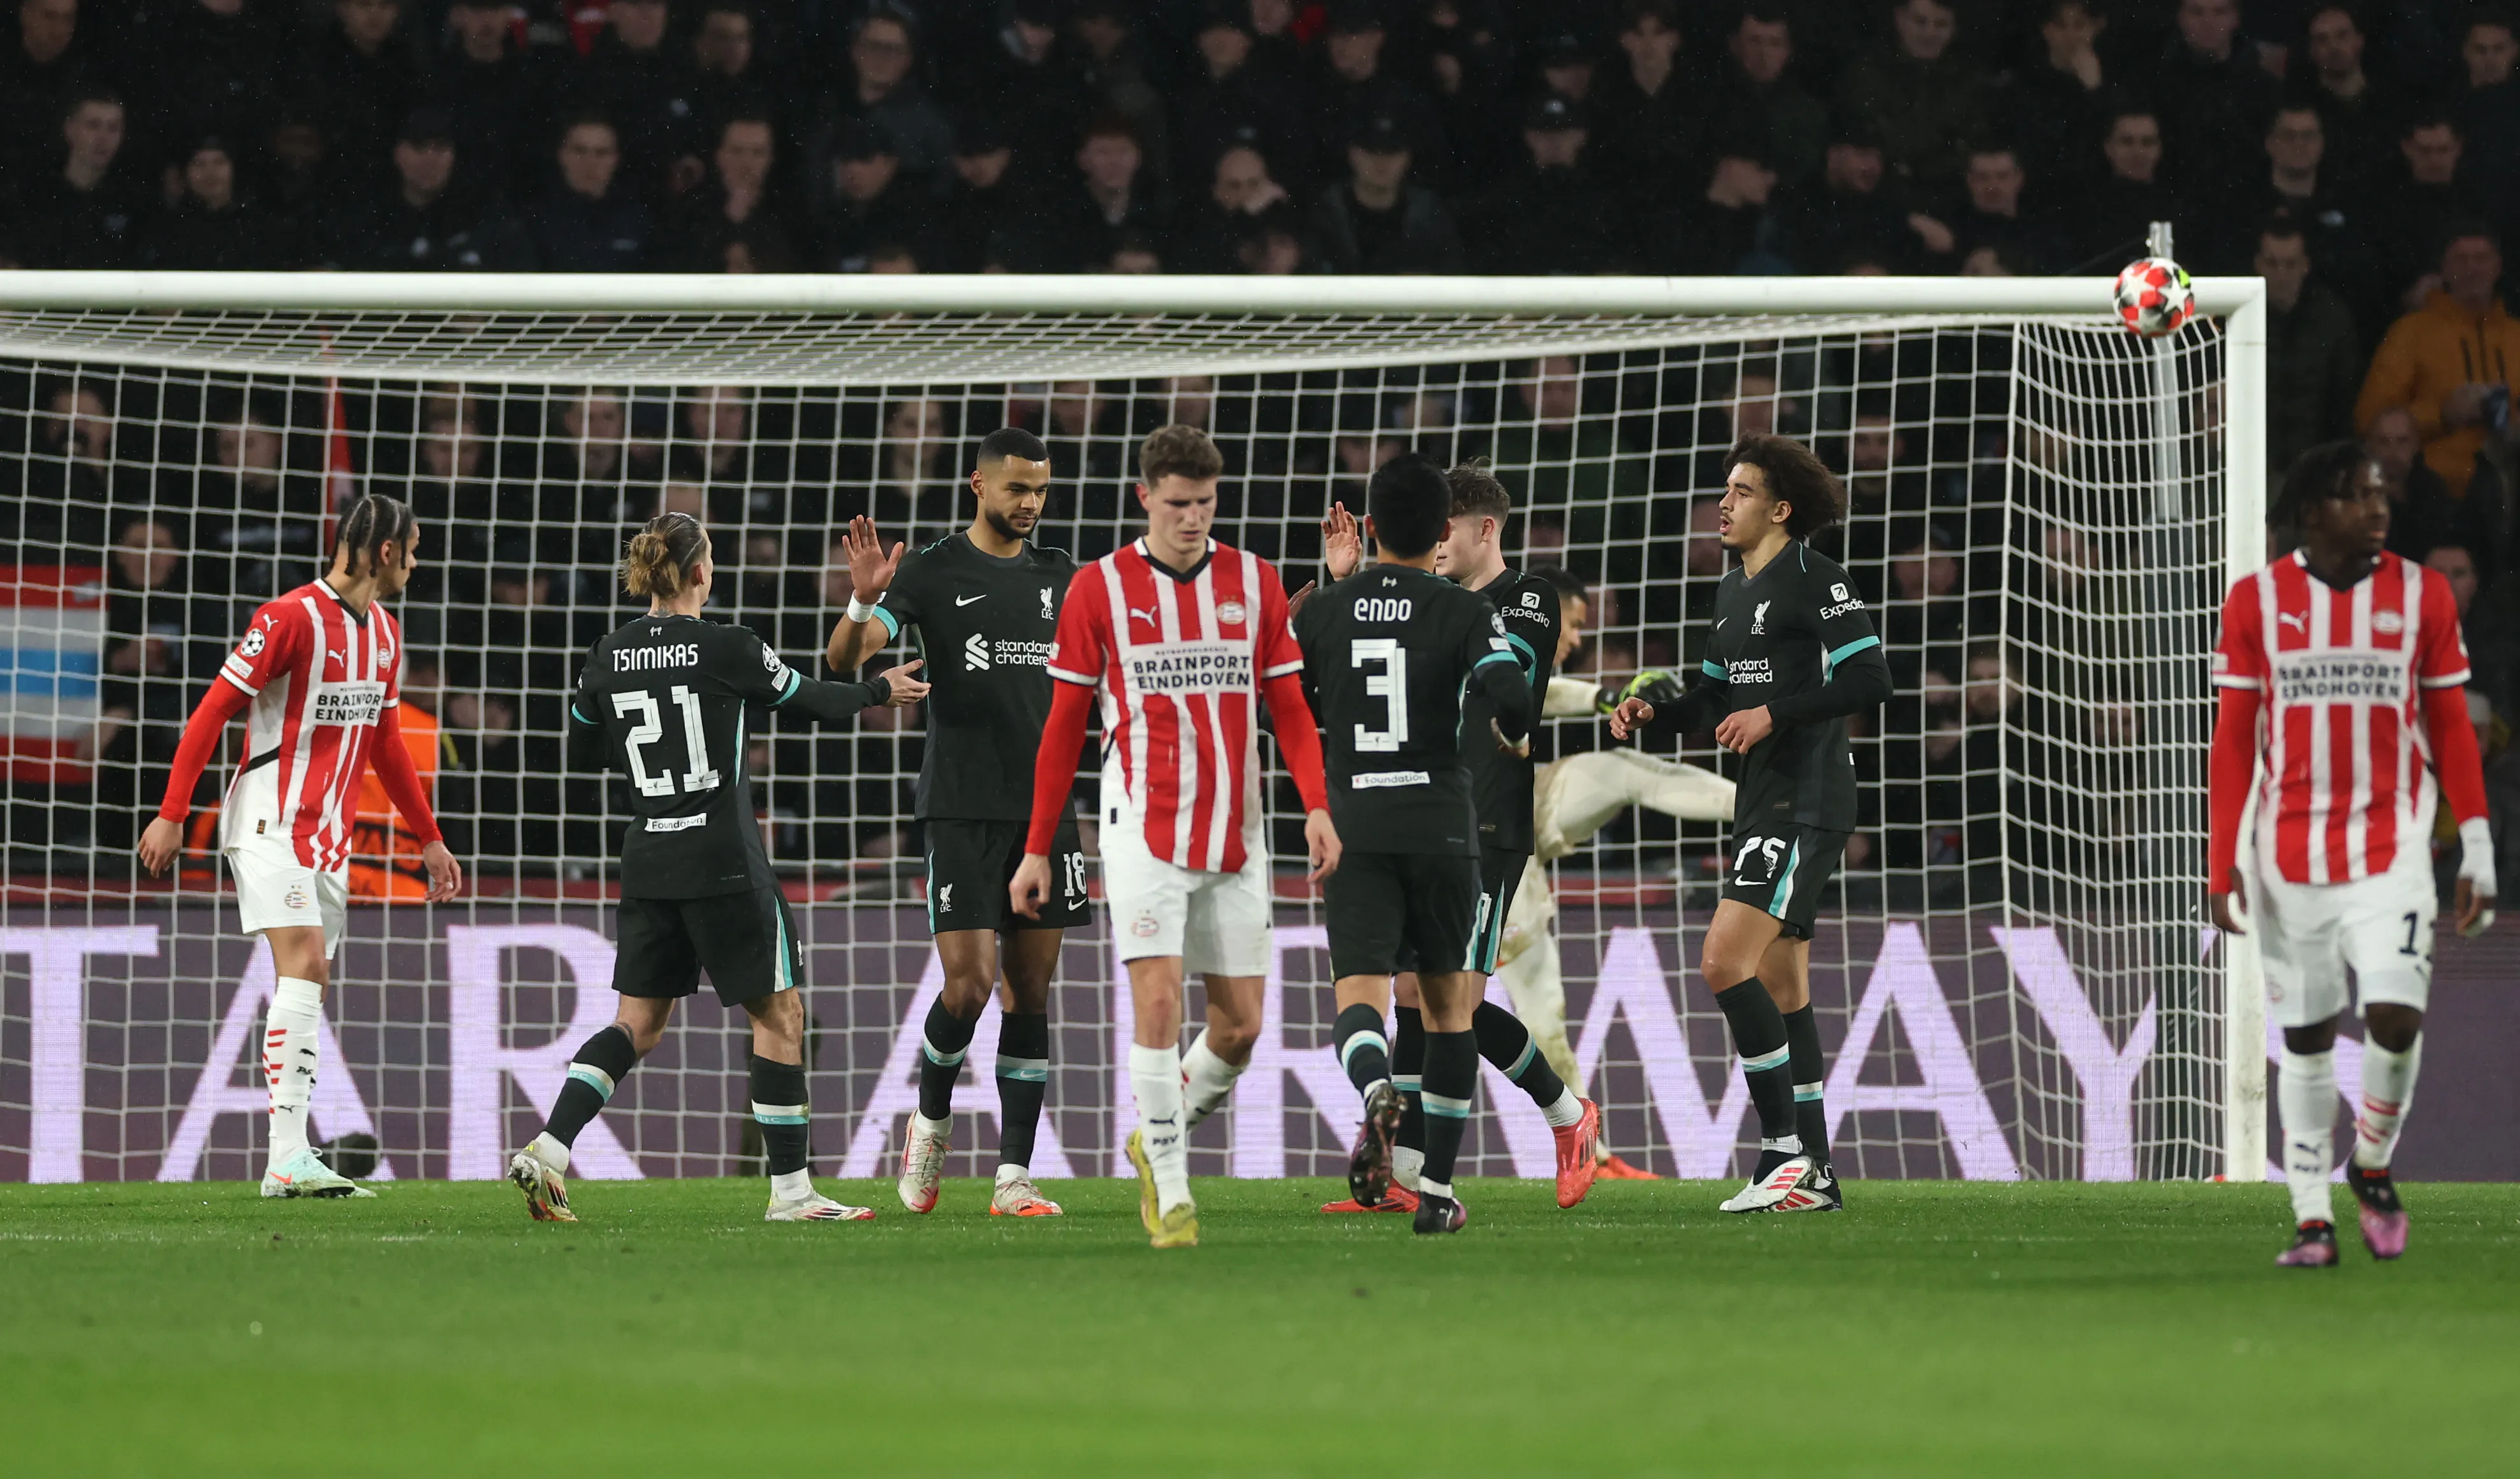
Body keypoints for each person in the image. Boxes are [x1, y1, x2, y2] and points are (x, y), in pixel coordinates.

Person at [507, 513, 928, 1225]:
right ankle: (792, 1192)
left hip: (648, 859)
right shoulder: (727, 646)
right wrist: (880, 691)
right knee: (779, 1011)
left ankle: (550, 1146)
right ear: (702, 571)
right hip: (724, 860)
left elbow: (583, 750)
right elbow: (809, 698)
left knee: (635, 1024)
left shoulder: (608, 653)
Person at [1011, 424, 1338, 1250]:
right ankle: (1170, 1181)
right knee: (1157, 999)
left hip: (1238, 829)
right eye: (1178, 504)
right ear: (1145, 498)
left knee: (1240, 1026)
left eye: (1206, 504)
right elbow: (1062, 728)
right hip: (1140, 823)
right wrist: (1038, 845)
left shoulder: (1255, 582)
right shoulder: (1100, 589)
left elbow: (1291, 710)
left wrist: (1319, 805)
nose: (1193, 518)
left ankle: (1156, 1131)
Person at [2207, 442, 2496, 1267]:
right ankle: (2310, 1219)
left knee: (2396, 1018)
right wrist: (2219, 856)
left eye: (2381, 493)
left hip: (2393, 843)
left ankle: (2369, 1159)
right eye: (2358, 495)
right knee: (2303, 1037)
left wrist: (2474, 843)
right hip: (2288, 850)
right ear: (2311, 512)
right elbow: (2233, 740)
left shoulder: (2423, 594)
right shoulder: (2257, 601)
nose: (2379, 507)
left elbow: (2450, 728)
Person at [136, 495, 462, 1198]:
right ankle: (286, 1159)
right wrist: (172, 813)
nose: (418, 561)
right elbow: (211, 712)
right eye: (414, 548)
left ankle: (290, 1156)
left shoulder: (385, 633)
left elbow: (386, 744)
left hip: (330, 838)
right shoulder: (286, 618)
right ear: (385, 552)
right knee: (306, 961)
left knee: (309, 980)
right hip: (267, 822)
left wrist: (429, 839)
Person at [1309, 464, 1602, 1216]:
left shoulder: (1525, 597)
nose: (1439, 547)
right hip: (1423, 820)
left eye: (1453, 531)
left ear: (1482, 530)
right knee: (1417, 995)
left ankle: (1567, 1116)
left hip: (1490, 822)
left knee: (1452, 1002)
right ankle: (1408, 1180)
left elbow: (1516, 687)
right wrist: (1354, 588)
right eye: (1433, 533)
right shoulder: (1430, 608)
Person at [1609, 435, 1891, 1213]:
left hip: (1807, 799)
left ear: (1780, 508)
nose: (1723, 504)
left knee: (1722, 960)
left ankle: (1781, 1153)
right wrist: (1653, 714)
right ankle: (1818, 1173)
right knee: (1782, 984)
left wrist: (1774, 712)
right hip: (1763, 799)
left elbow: (1872, 677)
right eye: (1724, 490)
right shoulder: (1731, 591)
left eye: (1739, 491)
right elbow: (1710, 699)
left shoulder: (1816, 579)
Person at [821, 428, 1082, 1219]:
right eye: (1016, 489)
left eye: (1040, 489)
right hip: (961, 807)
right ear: (978, 484)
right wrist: (865, 598)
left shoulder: (1062, 576)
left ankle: (1013, 1177)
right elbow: (844, 659)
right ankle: (930, 1119)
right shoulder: (933, 570)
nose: (1030, 503)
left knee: (1030, 992)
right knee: (968, 987)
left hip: (1045, 813)